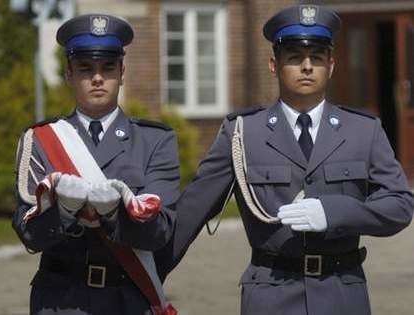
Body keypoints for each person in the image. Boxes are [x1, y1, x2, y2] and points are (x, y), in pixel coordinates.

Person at [165, 4, 414, 315]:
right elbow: (190, 213)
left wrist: (336, 212)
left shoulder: (363, 130)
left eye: (317, 57)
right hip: (271, 294)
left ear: (332, 65)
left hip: (342, 294)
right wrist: (139, 278)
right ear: (274, 64)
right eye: (295, 57)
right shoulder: (243, 133)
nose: (307, 66)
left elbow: (400, 205)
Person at [13, 14, 179, 315]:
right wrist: (63, 213)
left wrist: (115, 215)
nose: (98, 77)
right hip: (60, 299)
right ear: (69, 74)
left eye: (108, 67)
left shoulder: (155, 141)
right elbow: (29, 234)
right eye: (86, 68)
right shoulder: (41, 139)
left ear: (122, 71)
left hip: (128, 298)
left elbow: (160, 232)